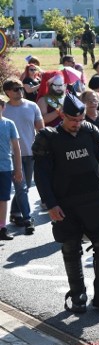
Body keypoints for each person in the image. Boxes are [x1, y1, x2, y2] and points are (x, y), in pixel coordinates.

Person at [32, 94, 99, 314]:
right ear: (62, 115)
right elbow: (41, 174)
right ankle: (77, 294)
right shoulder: (48, 137)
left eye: (80, 120)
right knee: (71, 247)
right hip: (66, 204)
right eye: (72, 120)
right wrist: (51, 204)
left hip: (96, 199)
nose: (76, 124)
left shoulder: (90, 132)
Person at [3, 78, 43, 235]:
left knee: (23, 186)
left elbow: (40, 128)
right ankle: (27, 219)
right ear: (7, 92)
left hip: (30, 153)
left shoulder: (32, 106)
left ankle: (15, 213)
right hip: (11, 156)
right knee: (22, 188)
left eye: (20, 88)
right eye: (15, 89)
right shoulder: (3, 109)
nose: (19, 91)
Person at [0, 95, 23, 241]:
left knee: (3, 199)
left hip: (5, 167)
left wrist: (18, 169)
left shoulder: (9, 124)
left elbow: (16, 148)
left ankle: (2, 227)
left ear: (3, 107)